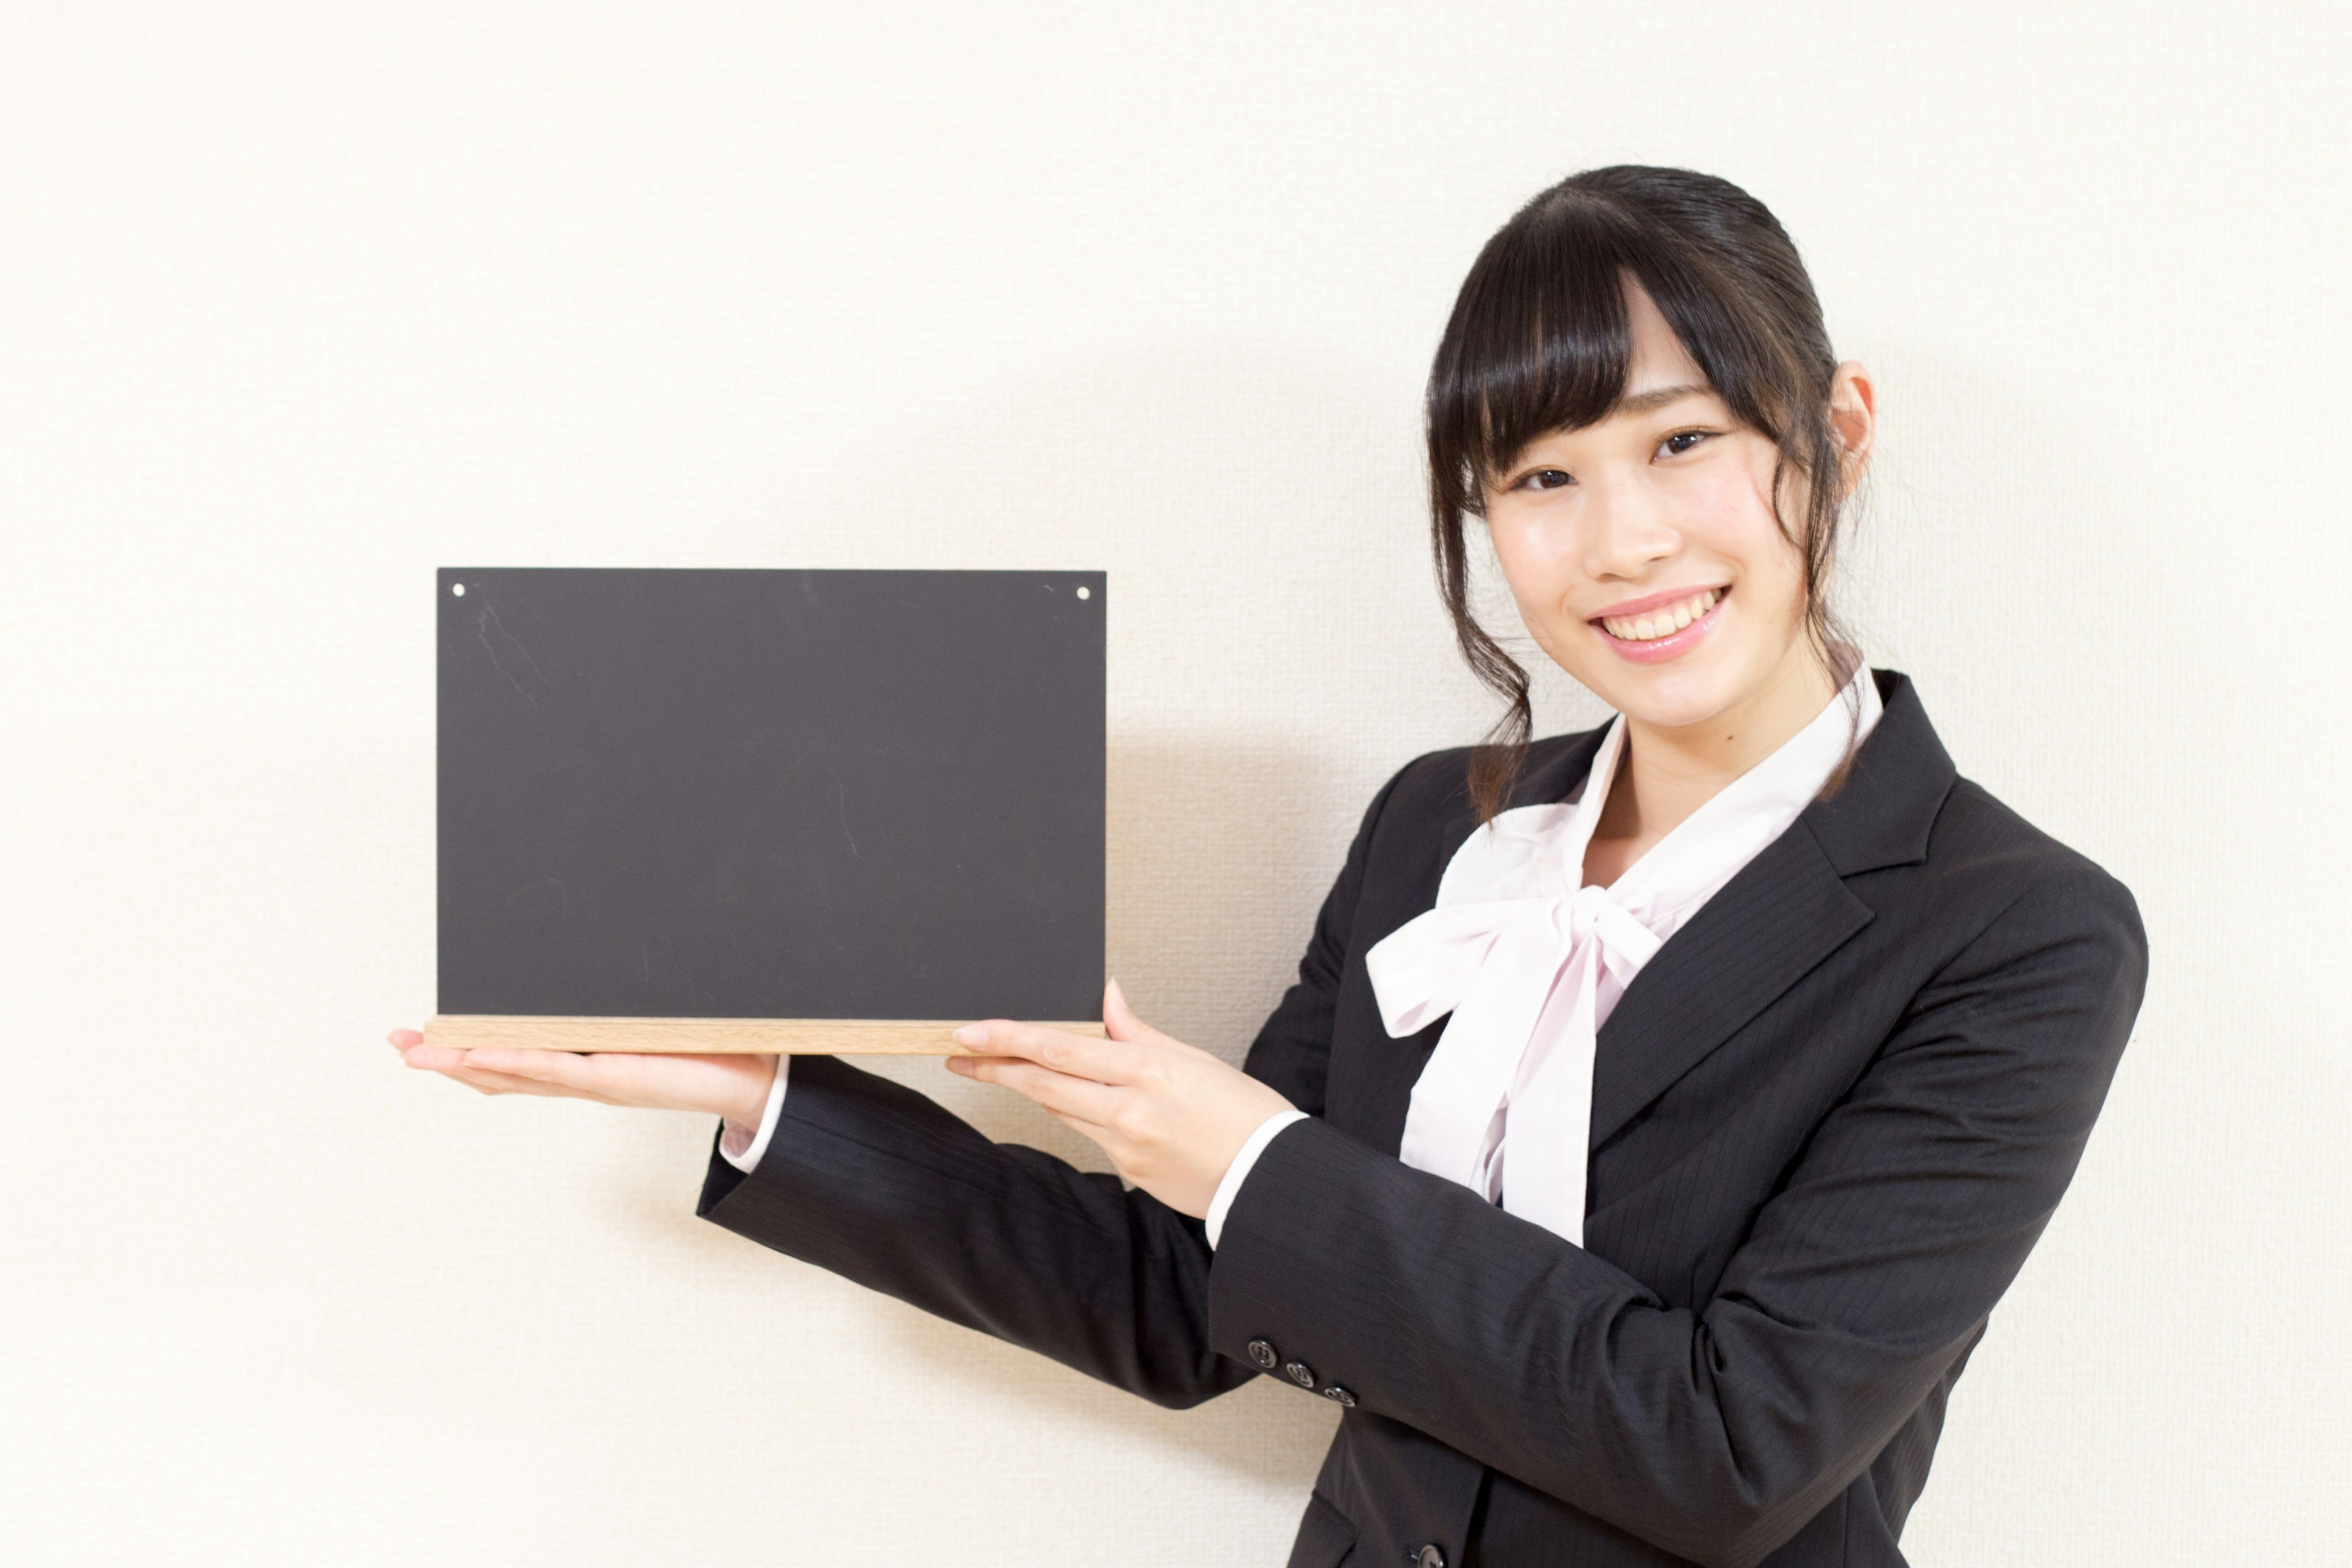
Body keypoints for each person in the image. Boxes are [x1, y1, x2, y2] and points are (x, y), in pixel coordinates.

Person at [391, 165, 2147, 1568]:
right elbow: (1187, 1299)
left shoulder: (2013, 930)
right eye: (1540, 475)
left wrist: (1259, 1158)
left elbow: (1730, 1449)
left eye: (1684, 441)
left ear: (1832, 427)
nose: (1624, 543)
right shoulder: (1440, 831)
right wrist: (769, 1086)